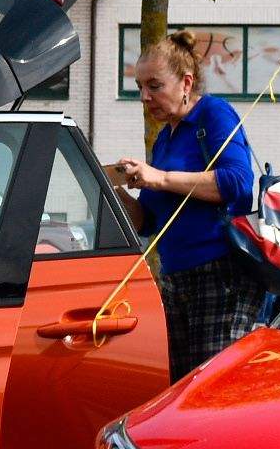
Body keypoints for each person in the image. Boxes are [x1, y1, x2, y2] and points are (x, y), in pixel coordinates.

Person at [112, 31, 261, 379]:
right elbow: (146, 221)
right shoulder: (166, 136)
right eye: (140, 87)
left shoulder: (214, 113)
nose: (145, 97)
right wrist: (109, 187)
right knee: (178, 387)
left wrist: (159, 178)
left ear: (186, 83)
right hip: (176, 279)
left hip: (221, 275)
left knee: (207, 389)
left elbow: (237, 182)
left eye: (154, 86)